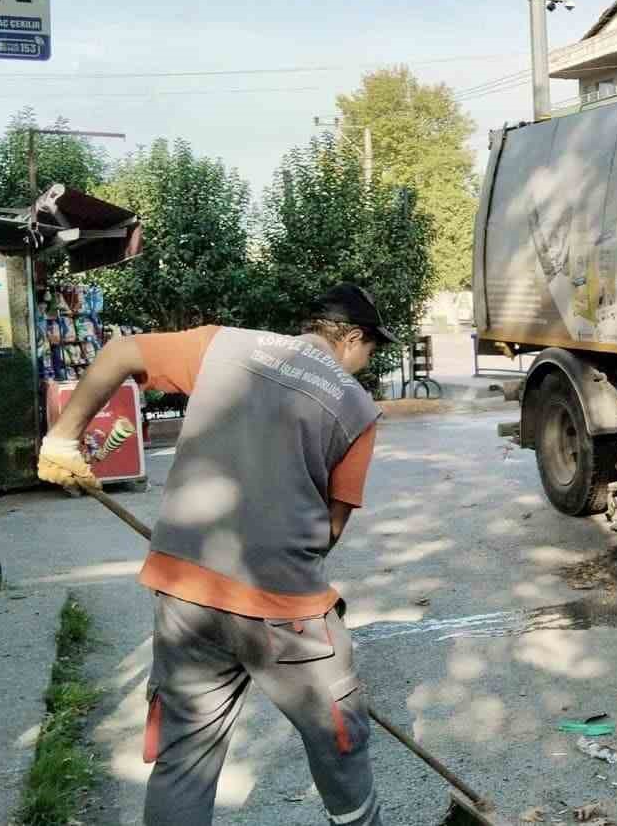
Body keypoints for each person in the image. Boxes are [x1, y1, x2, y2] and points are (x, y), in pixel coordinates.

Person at [38, 284, 395, 826]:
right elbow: (329, 531)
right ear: (349, 337)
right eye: (369, 350)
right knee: (341, 736)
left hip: (187, 595)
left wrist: (65, 437)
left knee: (184, 757)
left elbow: (118, 353)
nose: (365, 365)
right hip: (284, 609)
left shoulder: (223, 346)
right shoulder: (356, 407)